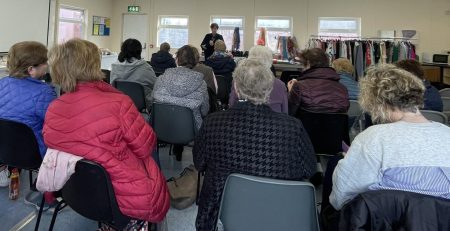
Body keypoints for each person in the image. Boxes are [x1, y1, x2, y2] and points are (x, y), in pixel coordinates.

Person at [43, 39, 169, 222]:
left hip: (73, 190)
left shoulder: (54, 107)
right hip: (122, 194)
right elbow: (146, 146)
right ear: (94, 64)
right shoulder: (119, 103)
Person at [194, 59, 316, 231]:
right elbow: (309, 169)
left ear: (236, 87)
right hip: (279, 211)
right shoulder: (293, 127)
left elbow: (199, 163)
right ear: (269, 88)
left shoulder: (213, 122)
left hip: (222, 210)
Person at [330, 64, 450, 211]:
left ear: (376, 102)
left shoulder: (372, 138)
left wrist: (349, 163)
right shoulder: (447, 133)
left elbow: (340, 199)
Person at [0, 41, 56, 187]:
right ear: (31, 69)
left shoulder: (2, 83)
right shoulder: (44, 92)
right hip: (33, 155)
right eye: (45, 62)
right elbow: (55, 125)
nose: (47, 64)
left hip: (3, 149)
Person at [152, 45, 209, 160]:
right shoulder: (201, 83)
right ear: (196, 61)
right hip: (191, 131)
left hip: (161, 128)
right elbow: (205, 110)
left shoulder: (161, 79)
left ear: (177, 59)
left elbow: (152, 101)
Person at [288, 48, 349, 115]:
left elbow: (290, 114)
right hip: (337, 125)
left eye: (303, 65)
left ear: (308, 64)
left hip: (306, 125)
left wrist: (291, 92)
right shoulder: (343, 89)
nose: (302, 69)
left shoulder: (299, 87)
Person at [229, 45, 288, 113]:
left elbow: (231, 106)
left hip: (242, 119)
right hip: (274, 122)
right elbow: (285, 112)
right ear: (269, 63)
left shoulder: (238, 80)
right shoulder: (280, 85)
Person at [111, 38, 157, 111]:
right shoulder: (145, 67)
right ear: (139, 51)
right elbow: (155, 85)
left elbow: (112, 85)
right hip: (142, 106)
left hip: (120, 104)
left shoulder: (114, 66)